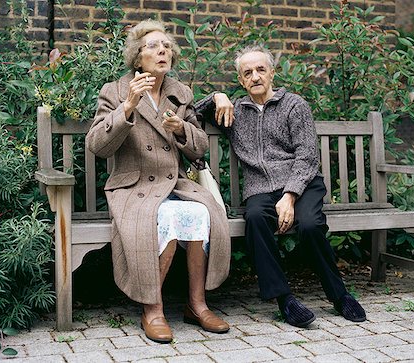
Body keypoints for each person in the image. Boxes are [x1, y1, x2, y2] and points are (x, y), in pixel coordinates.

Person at [195, 44, 366, 328]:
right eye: (247, 72)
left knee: (310, 225)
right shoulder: (235, 110)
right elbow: (190, 112)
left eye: (261, 69)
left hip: (302, 184)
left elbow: (307, 155)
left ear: (272, 72)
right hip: (260, 189)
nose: (255, 76)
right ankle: (285, 300)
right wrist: (217, 96)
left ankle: (339, 295)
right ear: (241, 80)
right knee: (256, 218)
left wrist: (290, 195)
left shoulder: (294, 105)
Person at [85, 20, 230, 343]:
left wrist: (181, 129)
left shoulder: (180, 94)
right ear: (138, 58)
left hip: (174, 183)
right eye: (153, 46)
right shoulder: (116, 91)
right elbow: (97, 145)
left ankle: (197, 304)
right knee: (166, 215)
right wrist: (127, 108)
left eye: (166, 46)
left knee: (201, 213)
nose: (162, 50)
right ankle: (153, 309)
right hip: (133, 186)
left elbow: (200, 147)